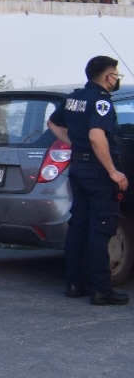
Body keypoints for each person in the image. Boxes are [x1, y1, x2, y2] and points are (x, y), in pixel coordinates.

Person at [48, 55, 130, 306]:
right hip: (97, 171)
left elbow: (53, 122)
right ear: (108, 77)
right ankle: (101, 290)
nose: (117, 80)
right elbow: (97, 136)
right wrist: (113, 172)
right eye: (116, 75)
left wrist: (75, 144)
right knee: (102, 228)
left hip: (78, 168)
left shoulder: (75, 97)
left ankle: (74, 284)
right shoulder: (101, 101)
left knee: (79, 226)